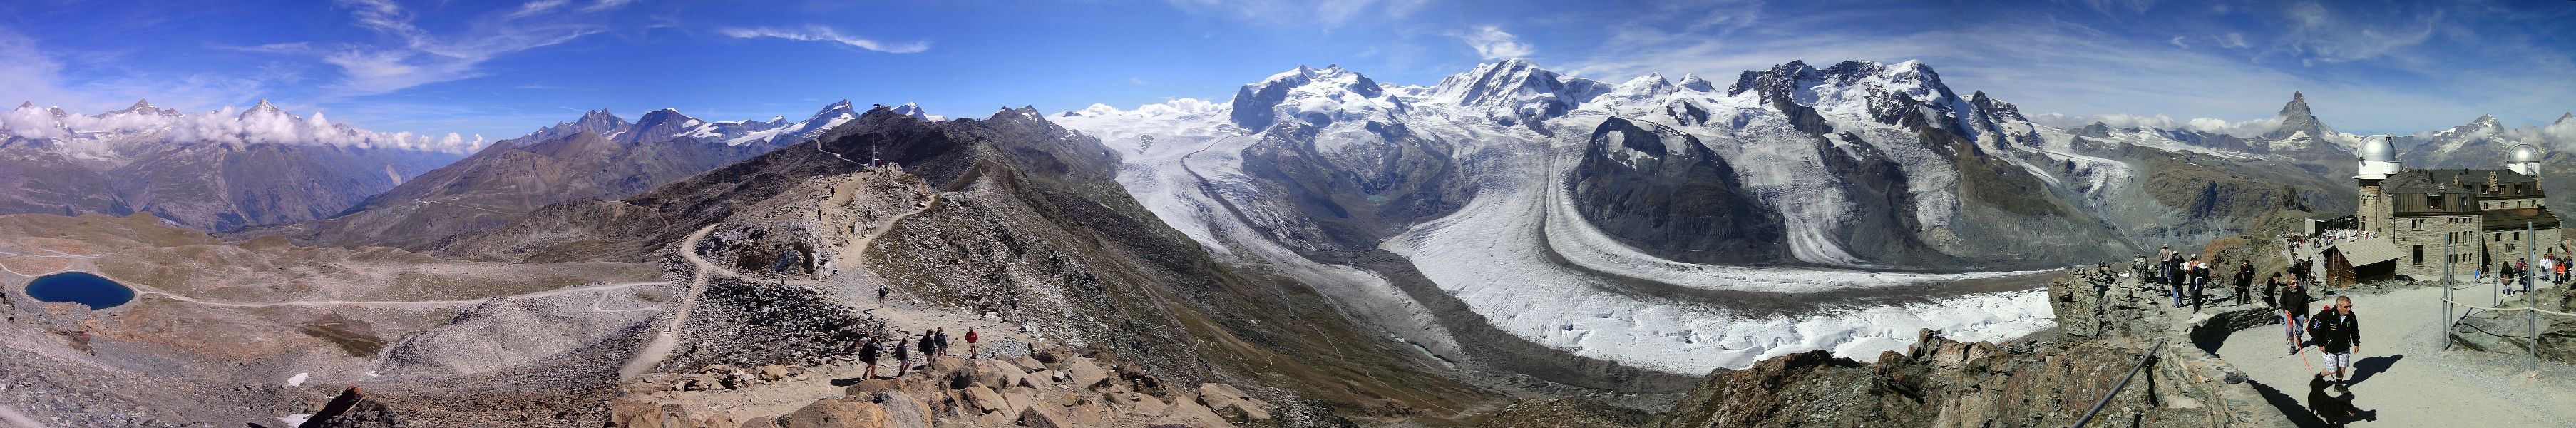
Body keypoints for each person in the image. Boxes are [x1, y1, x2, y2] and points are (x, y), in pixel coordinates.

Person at [2314, 296, 2361, 391]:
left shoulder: (2351, 316)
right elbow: (2316, 330)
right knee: (2333, 370)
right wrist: (2320, 344)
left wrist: (2356, 343)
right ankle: (2320, 375)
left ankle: (2338, 386)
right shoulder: (2326, 315)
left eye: (2350, 306)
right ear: (2338, 306)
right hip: (2330, 349)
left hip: (2344, 348)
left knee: (2342, 368)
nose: (2349, 309)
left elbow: (2355, 331)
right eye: (2346, 307)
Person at [2282, 280, 2312, 355]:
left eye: (2296, 283)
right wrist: (2285, 310)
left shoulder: (2302, 291)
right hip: (2289, 313)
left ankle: (2298, 337)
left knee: (2299, 329)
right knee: (2289, 330)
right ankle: (2292, 347)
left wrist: (2306, 316)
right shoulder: (2285, 291)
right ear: (2289, 285)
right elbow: (2282, 302)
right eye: (2293, 283)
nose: (2295, 284)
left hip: (2300, 313)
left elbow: (2306, 304)